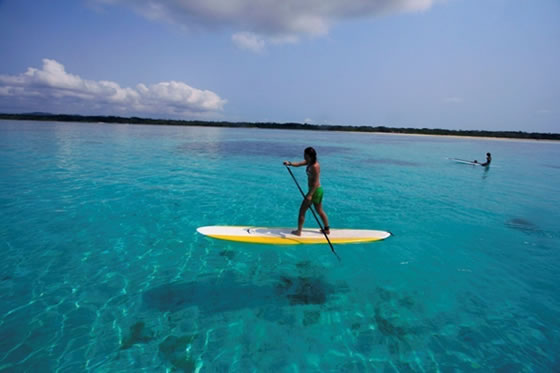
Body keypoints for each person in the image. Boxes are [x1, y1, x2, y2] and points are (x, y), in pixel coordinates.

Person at [283, 147, 330, 236]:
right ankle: (327, 229)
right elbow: (299, 164)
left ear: (310, 156)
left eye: (305, 155)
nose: (304, 156)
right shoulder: (309, 162)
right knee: (319, 210)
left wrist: (310, 195)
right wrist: (290, 163)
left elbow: (316, 183)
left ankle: (299, 231)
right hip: (316, 191)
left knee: (302, 211)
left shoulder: (315, 166)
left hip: (315, 191)